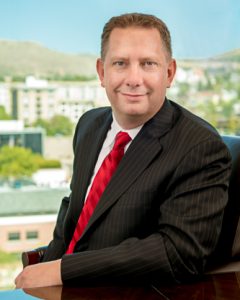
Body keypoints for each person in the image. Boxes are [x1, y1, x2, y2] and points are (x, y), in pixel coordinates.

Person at [15, 12, 231, 288]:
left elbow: (178, 254)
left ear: (169, 73)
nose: (133, 78)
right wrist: (43, 274)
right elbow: (76, 209)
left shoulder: (199, 147)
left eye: (148, 64)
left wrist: (63, 270)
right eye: (120, 63)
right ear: (101, 72)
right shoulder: (89, 125)